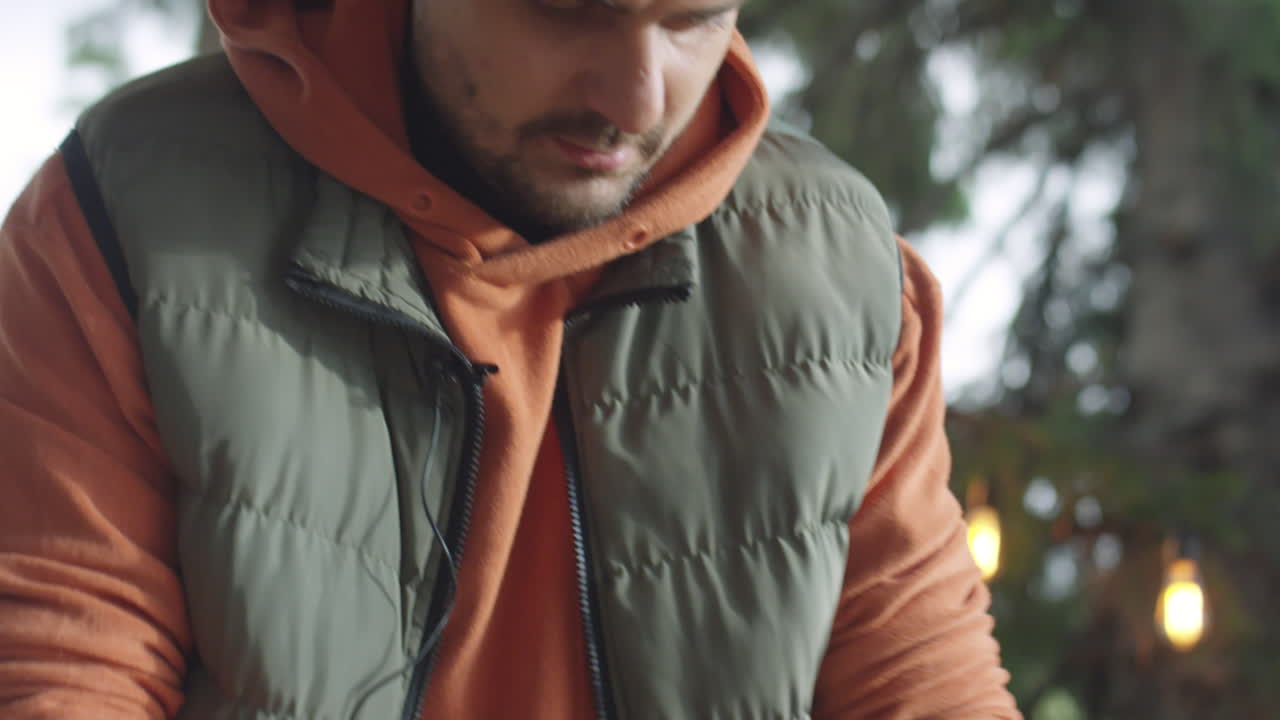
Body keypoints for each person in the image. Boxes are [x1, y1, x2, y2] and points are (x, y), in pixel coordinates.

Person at [0, 0, 1022, 718]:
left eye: (692, 18)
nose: (633, 96)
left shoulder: (839, 273)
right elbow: (63, 665)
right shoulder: (125, 214)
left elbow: (918, 679)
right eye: (568, 6)